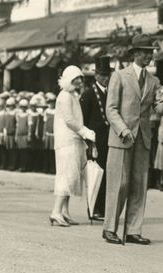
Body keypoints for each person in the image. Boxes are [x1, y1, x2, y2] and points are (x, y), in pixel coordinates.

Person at [103, 34, 163, 245]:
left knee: (139, 185)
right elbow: (111, 109)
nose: (149, 55)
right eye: (145, 52)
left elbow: (159, 106)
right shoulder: (119, 76)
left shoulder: (154, 81)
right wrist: (122, 129)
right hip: (121, 139)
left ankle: (132, 230)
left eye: (151, 52)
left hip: (142, 138)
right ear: (135, 54)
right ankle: (109, 228)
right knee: (119, 184)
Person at [50, 65, 96, 227]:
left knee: (71, 176)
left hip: (73, 141)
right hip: (67, 141)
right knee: (66, 176)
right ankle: (56, 211)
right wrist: (85, 132)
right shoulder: (65, 96)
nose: (78, 82)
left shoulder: (71, 96)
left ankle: (64, 211)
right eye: (75, 79)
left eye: (80, 79)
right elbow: (69, 120)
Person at [80, 56, 113, 221]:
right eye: (102, 75)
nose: (106, 78)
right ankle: (93, 208)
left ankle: (103, 207)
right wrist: (87, 143)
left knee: (106, 174)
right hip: (94, 141)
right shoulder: (88, 94)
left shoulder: (111, 92)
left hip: (109, 140)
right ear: (96, 75)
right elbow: (83, 121)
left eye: (108, 75)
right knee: (95, 175)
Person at [15, 99, 31, 172]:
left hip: (25, 135)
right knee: (20, 151)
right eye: (22, 107)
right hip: (19, 135)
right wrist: (16, 135)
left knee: (25, 151)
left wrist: (29, 135)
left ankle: (25, 167)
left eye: (24, 107)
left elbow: (29, 125)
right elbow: (17, 125)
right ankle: (21, 166)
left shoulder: (28, 115)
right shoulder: (18, 114)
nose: (23, 108)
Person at [43, 93, 56, 174]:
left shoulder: (57, 111)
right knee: (47, 152)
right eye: (49, 102)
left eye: (52, 102)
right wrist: (44, 134)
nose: (51, 104)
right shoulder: (47, 111)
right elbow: (45, 123)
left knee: (53, 152)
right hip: (47, 134)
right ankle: (46, 168)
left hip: (54, 134)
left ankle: (53, 168)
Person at [4, 98, 18, 171]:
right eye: (8, 105)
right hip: (8, 134)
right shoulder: (6, 113)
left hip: (13, 134)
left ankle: (13, 165)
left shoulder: (15, 113)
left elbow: (17, 124)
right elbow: (5, 125)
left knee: (13, 150)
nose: (9, 107)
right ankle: (9, 164)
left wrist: (16, 135)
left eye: (11, 105)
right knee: (8, 149)